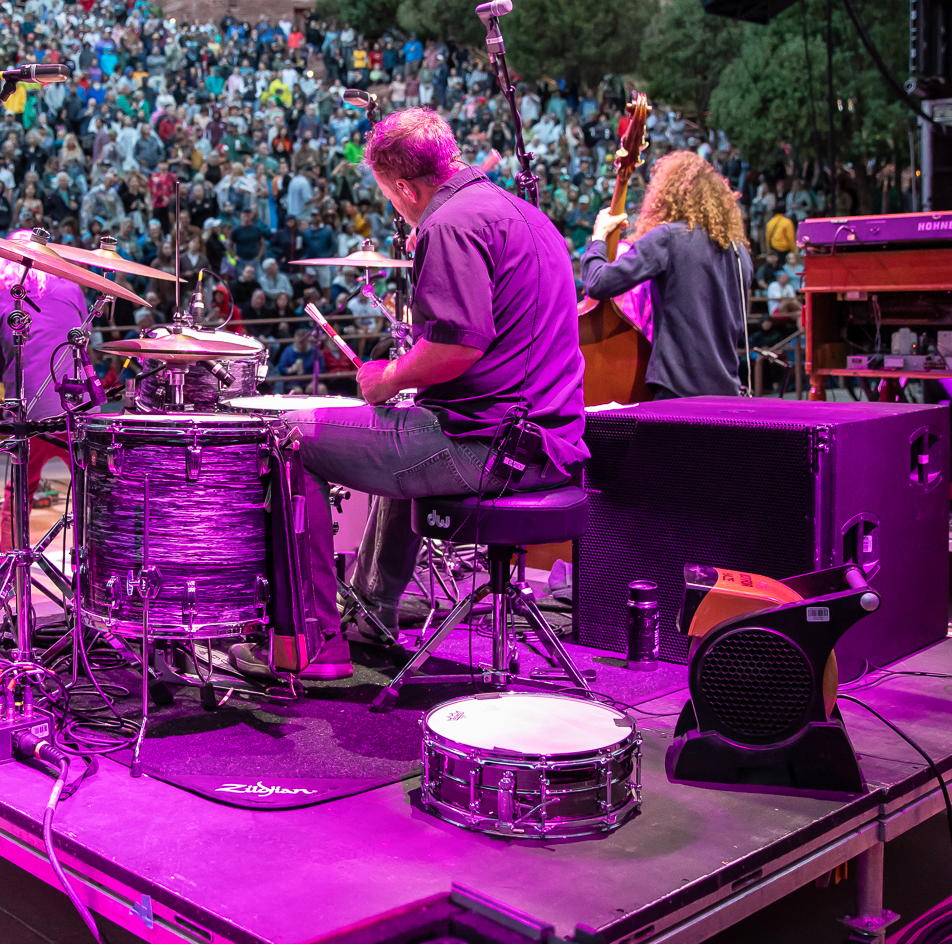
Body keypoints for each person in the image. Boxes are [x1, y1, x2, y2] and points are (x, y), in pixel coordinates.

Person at [231, 108, 588, 683]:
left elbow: (455, 350)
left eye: (389, 197)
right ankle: (372, 612)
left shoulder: (450, 224)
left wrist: (390, 376)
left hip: (489, 447)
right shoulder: (525, 215)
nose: (394, 208)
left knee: (287, 434)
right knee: (404, 425)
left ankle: (313, 644)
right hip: (550, 443)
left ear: (404, 186)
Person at [578, 150, 751, 399]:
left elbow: (597, 283)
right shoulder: (739, 252)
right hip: (727, 392)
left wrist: (599, 238)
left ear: (668, 195)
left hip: (678, 391)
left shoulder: (669, 238)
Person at [0, 231, 92, 550]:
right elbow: (79, 340)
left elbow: (0, 371)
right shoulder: (72, 289)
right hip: (76, 405)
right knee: (91, 486)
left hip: (31, 411)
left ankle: (9, 563)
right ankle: (91, 559)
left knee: (21, 489)